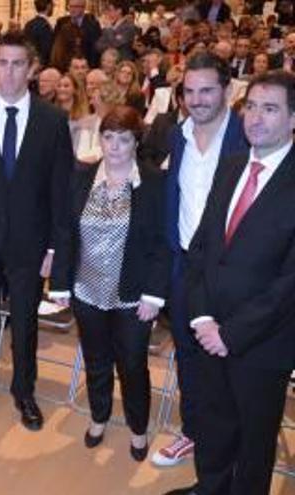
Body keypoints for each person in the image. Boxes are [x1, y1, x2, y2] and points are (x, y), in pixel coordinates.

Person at [165, 70, 295, 495]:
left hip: (262, 343)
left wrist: (232, 334)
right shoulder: (233, 164)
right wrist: (202, 317)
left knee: (253, 446)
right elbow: (201, 247)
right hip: (209, 331)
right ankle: (209, 488)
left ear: (293, 119)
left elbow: (290, 283)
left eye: (270, 108)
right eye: (251, 106)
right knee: (215, 428)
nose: (256, 118)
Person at [0, 31, 72, 430]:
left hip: (29, 241)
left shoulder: (52, 120)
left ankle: (25, 392)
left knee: (25, 323)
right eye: (2, 63)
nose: (8, 72)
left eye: (17, 64)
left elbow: (61, 189)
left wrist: (55, 249)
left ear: (32, 69)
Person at [50, 105, 168, 463]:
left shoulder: (153, 183)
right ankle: (99, 417)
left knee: (132, 365)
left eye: (124, 138)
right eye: (108, 137)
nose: (114, 146)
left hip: (134, 296)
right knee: (97, 360)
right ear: (99, 138)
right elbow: (66, 233)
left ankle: (137, 428)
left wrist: (154, 293)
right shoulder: (81, 178)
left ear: (136, 141)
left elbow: (164, 242)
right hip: (87, 290)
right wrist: (60, 284)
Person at [153, 52, 248, 469]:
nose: (198, 99)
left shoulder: (248, 135)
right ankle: (194, 432)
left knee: (230, 359)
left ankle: (234, 443)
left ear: (228, 89)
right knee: (189, 357)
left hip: (232, 269)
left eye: (207, 90)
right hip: (184, 266)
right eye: (190, 91)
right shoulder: (177, 135)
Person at [54, 0, 103, 67]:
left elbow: (95, 49)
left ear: (83, 8)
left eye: (76, 7)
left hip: (86, 66)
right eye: (70, 6)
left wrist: (91, 67)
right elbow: (57, 47)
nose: (72, 10)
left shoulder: (93, 25)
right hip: (66, 66)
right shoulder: (62, 23)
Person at [24, 0, 55, 68]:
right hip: (41, 67)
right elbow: (47, 50)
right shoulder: (45, 26)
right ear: (49, 6)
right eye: (53, 6)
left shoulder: (28, 24)